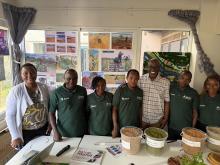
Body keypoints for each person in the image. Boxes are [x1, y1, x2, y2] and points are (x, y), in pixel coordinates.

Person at [5, 63, 50, 149]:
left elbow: (49, 107)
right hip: (26, 133)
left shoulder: (44, 87)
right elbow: (10, 115)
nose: (29, 75)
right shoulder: (16, 91)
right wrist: (15, 136)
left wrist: (50, 124)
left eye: (32, 72)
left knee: (44, 154)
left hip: (43, 129)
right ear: (21, 75)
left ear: (36, 73)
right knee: (27, 157)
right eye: (25, 73)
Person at [49, 69, 87, 141]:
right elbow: (51, 113)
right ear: (64, 79)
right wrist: (55, 131)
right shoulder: (56, 93)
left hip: (81, 132)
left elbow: (85, 109)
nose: (72, 81)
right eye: (68, 79)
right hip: (63, 134)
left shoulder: (82, 90)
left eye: (75, 78)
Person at [138, 58, 170, 129]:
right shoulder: (140, 80)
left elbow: (167, 102)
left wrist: (165, 118)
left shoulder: (165, 82)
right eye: (150, 66)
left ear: (159, 68)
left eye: (156, 67)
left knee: (155, 139)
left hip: (157, 120)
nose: (153, 69)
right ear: (147, 67)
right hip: (142, 120)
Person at [168, 70, 199, 140]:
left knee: (183, 149)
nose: (184, 81)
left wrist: (192, 128)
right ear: (178, 78)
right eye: (182, 78)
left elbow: (195, 113)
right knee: (171, 147)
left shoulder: (194, 93)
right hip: (171, 127)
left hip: (186, 129)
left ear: (190, 81)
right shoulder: (171, 89)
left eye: (187, 79)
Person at [112, 69, 143, 137]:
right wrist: (115, 126)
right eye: (131, 78)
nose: (133, 81)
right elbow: (114, 109)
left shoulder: (140, 92)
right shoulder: (120, 90)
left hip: (135, 128)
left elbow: (140, 109)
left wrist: (141, 124)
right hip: (122, 127)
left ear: (138, 79)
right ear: (127, 78)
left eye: (136, 79)